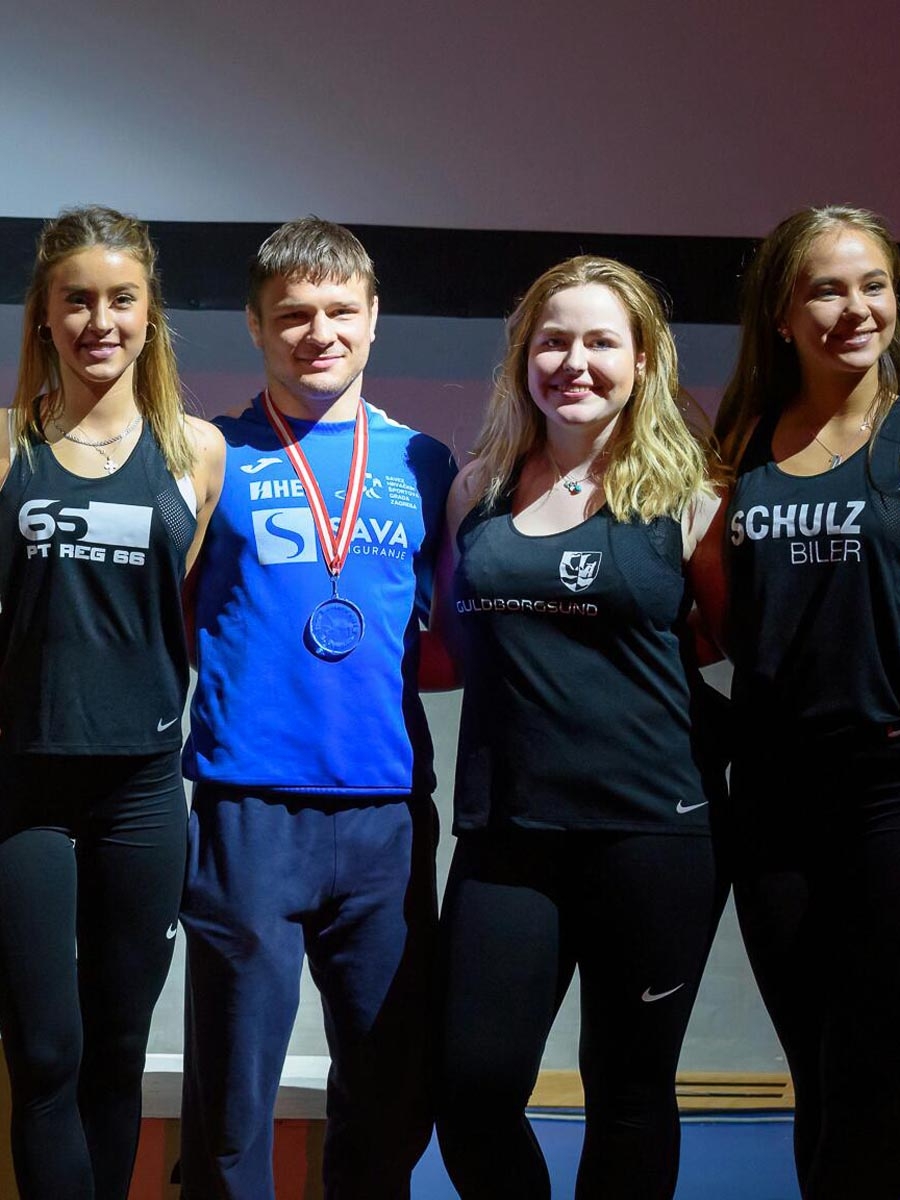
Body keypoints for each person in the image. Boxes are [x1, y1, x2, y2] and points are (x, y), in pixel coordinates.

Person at [432, 254, 729, 1199]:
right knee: (471, 1092)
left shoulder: (691, 493)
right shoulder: (478, 488)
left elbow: (742, 651)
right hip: (507, 835)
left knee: (629, 1091)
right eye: (553, 341)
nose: (574, 362)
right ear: (524, 357)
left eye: (602, 342)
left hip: (653, 836)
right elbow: (449, 644)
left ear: (642, 361)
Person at [178, 216, 457, 1200]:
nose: (320, 333)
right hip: (249, 807)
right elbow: (171, 619)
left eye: (342, 311)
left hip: (386, 812)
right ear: (255, 325)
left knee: (388, 1095)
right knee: (232, 1100)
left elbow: (446, 635)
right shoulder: (214, 454)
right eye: (293, 314)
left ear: (375, 319)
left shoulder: (427, 464)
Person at [0, 205, 225, 1200]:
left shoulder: (197, 453)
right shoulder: (6, 445)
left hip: (141, 792)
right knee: (45, 1054)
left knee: (116, 1050)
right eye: (77, 300)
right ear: (45, 316)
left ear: (149, 313)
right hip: (24, 792)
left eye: (120, 299)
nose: (100, 321)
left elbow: (174, 608)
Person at [714, 204, 900, 1200]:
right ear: (782, 316)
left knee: (872, 1065)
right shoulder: (743, 440)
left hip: (888, 790)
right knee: (817, 1070)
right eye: (826, 289)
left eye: (874, 285)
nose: (855, 308)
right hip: (774, 796)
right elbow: (716, 618)